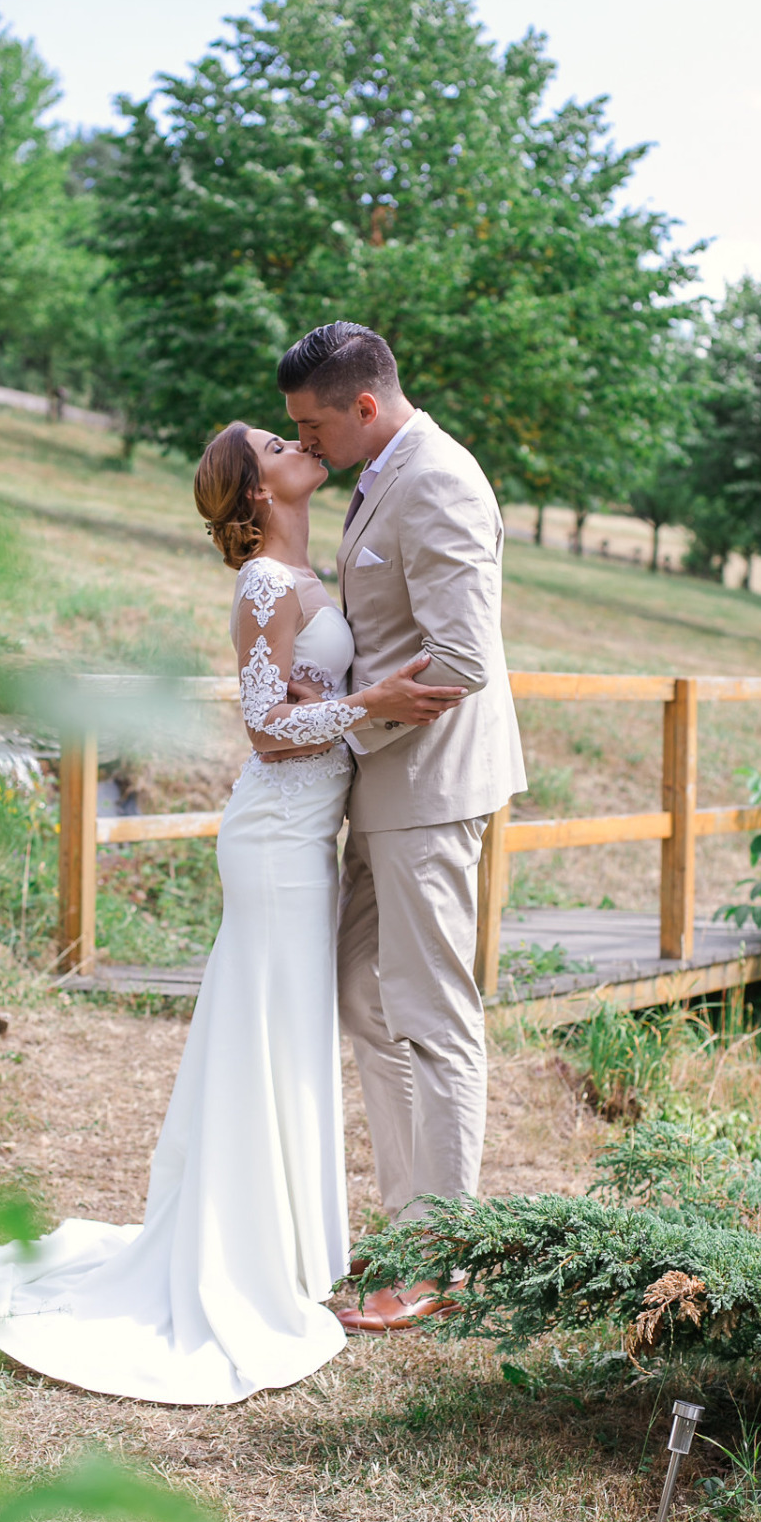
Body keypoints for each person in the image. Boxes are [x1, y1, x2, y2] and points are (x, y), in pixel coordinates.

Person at [0, 424, 463, 1404]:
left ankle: (284, 1252)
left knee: (286, 1034)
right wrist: (363, 701)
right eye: (276, 442)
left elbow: (302, 703)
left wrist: (341, 695)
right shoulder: (265, 586)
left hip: (305, 831)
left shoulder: (304, 572)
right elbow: (264, 729)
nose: (297, 440)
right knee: (268, 1033)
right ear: (256, 490)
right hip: (276, 836)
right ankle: (245, 1259)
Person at [278, 322, 526, 1334]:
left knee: (433, 1012)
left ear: (365, 405)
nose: (306, 444)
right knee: (362, 994)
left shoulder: (440, 481)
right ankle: (407, 1229)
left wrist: (345, 721)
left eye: (313, 425)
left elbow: (461, 660)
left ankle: (440, 1260)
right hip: (382, 788)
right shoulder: (382, 472)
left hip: (428, 786)